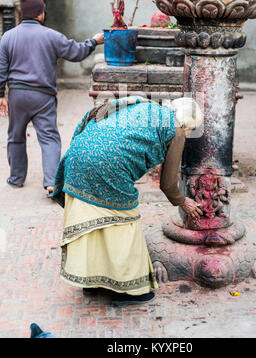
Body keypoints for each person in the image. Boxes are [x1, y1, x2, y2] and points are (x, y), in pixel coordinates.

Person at [51, 96, 203, 307]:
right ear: (187, 124)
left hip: (78, 154)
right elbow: (168, 184)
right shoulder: (176, 130)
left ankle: (92, 282)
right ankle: (128, 291)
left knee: (94, 218)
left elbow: (103, 110)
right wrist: (182, 201)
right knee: (125, 223)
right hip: (106, 165)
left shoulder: (147, 106)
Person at [0, 0, 104, 195]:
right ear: (39, 13)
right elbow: (77, 53)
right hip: (43, 97)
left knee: (15, 136)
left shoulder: (8, 37)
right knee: (49, 138)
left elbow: (1, 68)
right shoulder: (52, 36)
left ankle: (16, 178)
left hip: (17, 96)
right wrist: (94, 41)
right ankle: (50, 182)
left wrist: (1, 95)